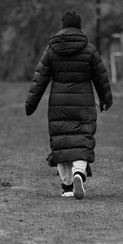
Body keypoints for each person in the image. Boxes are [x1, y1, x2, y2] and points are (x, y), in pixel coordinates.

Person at [25, 11, 113, 200]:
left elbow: (39, 80)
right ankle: (78, 174)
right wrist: (106, 100)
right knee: (81, 140)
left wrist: (30, 104)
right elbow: (100, 76)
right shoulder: (89, 49)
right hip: (83, 104)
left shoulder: (51, 49)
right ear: (79, 28)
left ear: (62, 26)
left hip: (59, 104)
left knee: (62, 142)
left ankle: (66, 187)